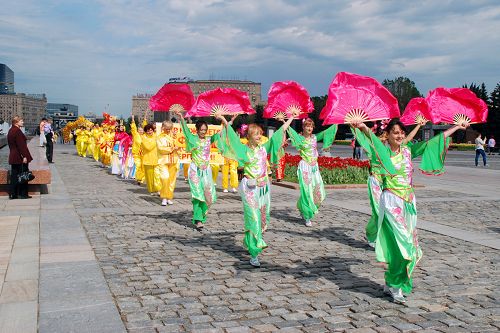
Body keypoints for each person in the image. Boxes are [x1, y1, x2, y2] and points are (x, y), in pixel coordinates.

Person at [352, 118, 467, 304]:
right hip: (391, 202)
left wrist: (455, 127)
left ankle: (391, 281)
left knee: (408, 246)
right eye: (395, 132)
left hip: (409, 202)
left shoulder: (407, 150)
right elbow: (372, 140)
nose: (399, 135)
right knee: (404, 245)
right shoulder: (382, 152)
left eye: (401, 133)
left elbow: (433, 143)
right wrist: (364, 127)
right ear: (387, 135)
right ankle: (396, 285)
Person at [216, 112, 296, 267]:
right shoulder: (243, 149)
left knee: (262, 216)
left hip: (264, 188)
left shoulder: (264, 148)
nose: (260, 136)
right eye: (256, 134)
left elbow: (279, 134)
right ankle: (254, 252)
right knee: (253, 217)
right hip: (249, 188)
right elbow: (231, 137)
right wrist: (224, 120)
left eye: (260, 133)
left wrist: (290, 118)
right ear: (249, 136)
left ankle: (250, 240)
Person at [175, 110, 223, 229]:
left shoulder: (208, 139)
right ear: (197, 130)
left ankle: (202, 216)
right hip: (195, 170)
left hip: (206, 171)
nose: (203, 132)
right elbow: (185, 130)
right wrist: (181, 118)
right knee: (197, 195)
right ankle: (198, 220)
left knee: (208, 195)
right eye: (201, 130)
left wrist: (225, 120)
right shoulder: (192, 138)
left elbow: (221, 133)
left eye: (205, 130)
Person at [287, 119, 337, 227]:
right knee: (307, 191)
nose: (309, 128)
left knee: (318, 190)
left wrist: (336, 122)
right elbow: (290, 131)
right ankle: (307, 215)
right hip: (305, 167)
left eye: (311, 126)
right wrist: (284, 121)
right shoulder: (299, 138)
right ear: (303, 127)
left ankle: (302, 207)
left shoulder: (314, 137)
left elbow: (327, 132)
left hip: (314, 167)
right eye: (307, 126)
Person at [8, 116, 34, 199]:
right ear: (16, 122)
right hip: (19, 157)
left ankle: (13, 194)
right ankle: (23, 194)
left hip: (13, 156)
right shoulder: (17, 131)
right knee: (24, 175)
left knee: (14, 176)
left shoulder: (11, 130)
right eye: (21, 121)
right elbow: (21, 146)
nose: (23, 122)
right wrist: (25, 156)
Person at [157, 120, 180, 206]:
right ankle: (163, 197)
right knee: (165, 178)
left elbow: (180, 144)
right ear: (163, 128)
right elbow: (161, 149)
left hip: (173, 160)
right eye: (166, 129)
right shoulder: (159, 137)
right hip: (163, 161)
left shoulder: (174, 137)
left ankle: (169, 197)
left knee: (171, 180)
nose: (168, 130)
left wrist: (177, 147)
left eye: (169, 129)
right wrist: (171, 149)